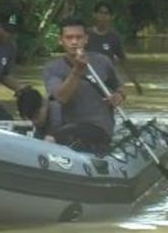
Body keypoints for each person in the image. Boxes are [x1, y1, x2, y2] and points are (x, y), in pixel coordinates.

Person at [43, 16, 126, 153]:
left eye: (79, 37)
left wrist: (119, 96)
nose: (74, 42)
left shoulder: (102, 61)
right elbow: (61, 97)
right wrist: (77, 70)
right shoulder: (52, 68)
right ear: (61, 40)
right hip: (68, 126)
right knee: (55, 136)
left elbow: (120, 86)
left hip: (99, 126)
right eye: (69, 38)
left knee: (58, 137)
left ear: (86, 39)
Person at [86, 1, 143, 94]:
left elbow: (123, 61)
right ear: (94, 14)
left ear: (111, 17)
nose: (103, 16)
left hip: (108, 80)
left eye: (106, 13)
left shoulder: (114, 37)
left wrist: (135, 82)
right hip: (89, 78)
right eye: (100, 13)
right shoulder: (86, 35)